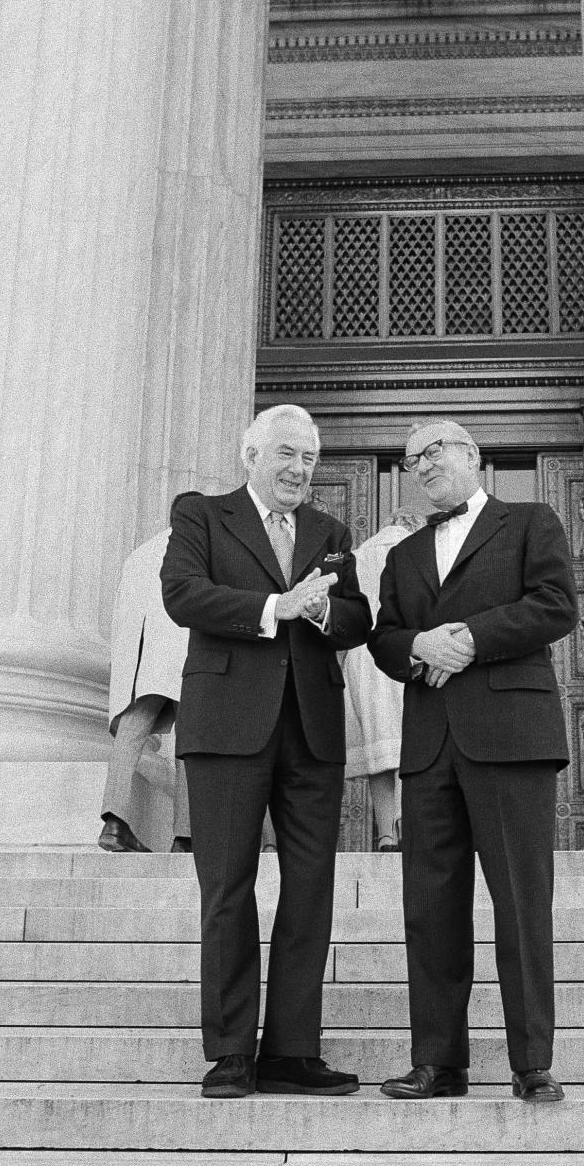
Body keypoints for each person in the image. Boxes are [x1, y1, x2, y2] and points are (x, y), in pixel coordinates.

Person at [161, 405, 371, 1099]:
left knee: (310, 890)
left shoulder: (330, 532)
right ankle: (229, 1053)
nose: (299, 470)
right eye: (286, 453)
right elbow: (182, 594)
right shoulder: (202, 516)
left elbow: (356, 617)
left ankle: (291, 1051)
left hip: (311, 730)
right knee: (227, 888)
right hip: (226, 726)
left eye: (309, 459)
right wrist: (273, 609)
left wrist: (319, 611)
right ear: (250, 454)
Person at [369, 418, 578, 1104]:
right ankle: (437, 1063)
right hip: (429, 749)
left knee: (521, 903)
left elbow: (554, 605)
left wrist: (469, 638)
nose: (422, 465)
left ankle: (532, 1064)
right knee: (430, 909)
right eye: (410, 459)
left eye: (433, 451)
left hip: (511, 737)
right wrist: (417, 648)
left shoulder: (530, 520)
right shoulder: (403, 556)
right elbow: (386, 640)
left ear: (470, 456)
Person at [100, 497, 197, 854]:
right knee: (190, 743)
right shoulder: (201, 549)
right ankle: (184, 838)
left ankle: (114, 821)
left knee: (129, 735)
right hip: (187, 658)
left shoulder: (141, 553)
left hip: (141, 661)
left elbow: (120, 612)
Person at [344, 513, 426, 850]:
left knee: (378, 750)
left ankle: (386, 835)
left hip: (362, 658)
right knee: (414, 743)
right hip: (403, 650)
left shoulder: (360, 555)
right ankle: (408, 825)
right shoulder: (416, 550)